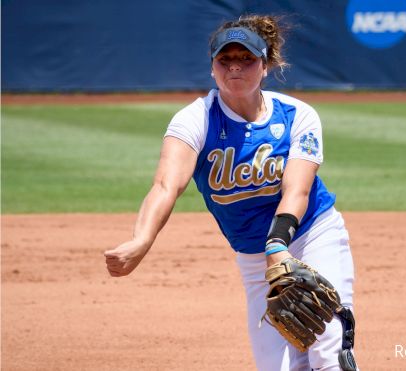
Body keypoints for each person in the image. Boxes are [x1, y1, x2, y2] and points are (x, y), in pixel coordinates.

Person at [103, 14, 357, 371]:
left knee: (328, 350)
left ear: (264, 66)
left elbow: (296, 191)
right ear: (212, 67)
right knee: (280, 367)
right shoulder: (196, 120)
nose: (235, 68)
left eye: (246, 60)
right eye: (226, 60)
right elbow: (166, 184)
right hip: (254, 257)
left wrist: (278, 246)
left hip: (311, 235)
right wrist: (141, 240)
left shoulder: (297, 115)